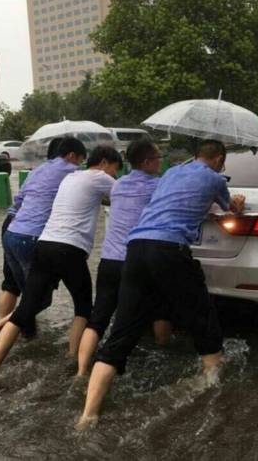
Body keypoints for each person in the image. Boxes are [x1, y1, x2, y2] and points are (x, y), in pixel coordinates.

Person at [77, 140, 245, 428]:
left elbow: (174, 200)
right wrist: (237, 203)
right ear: (218, 159)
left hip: (135, 248)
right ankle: (214, 389)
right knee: (203, 320)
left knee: (122, 332)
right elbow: (231, 208)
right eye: (223, 162)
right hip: (169, 251)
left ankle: (88, 414)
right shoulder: (215, 178)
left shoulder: (170, 173)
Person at [0, 146, 122, 390]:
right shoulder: (101, 178)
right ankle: (74, 362)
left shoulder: (71, 178)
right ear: (105, 163)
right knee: (84, 308)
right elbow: (127, 195)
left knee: (23, 312)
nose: (115, 175)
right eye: (115, 169)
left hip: (44, 245)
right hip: (71, 250)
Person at [0, 137, 86, 351]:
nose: (80, 165)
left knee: (16, 287)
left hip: (12, 229)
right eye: (80, 160)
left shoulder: (38, 170)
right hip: (33, 237)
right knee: (40, 300)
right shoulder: (72, 173)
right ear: (72, 155)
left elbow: (19, 202)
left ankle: (23, 338)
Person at [77, 139, 171, 377]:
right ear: (148, 162)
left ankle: (80, 371)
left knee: (98, 319)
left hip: (109, 259)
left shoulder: (118, 185)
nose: (161, 162)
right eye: (159, 158)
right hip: (137, 260)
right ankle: (165, 353)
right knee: (160, 309)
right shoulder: (159, 186)